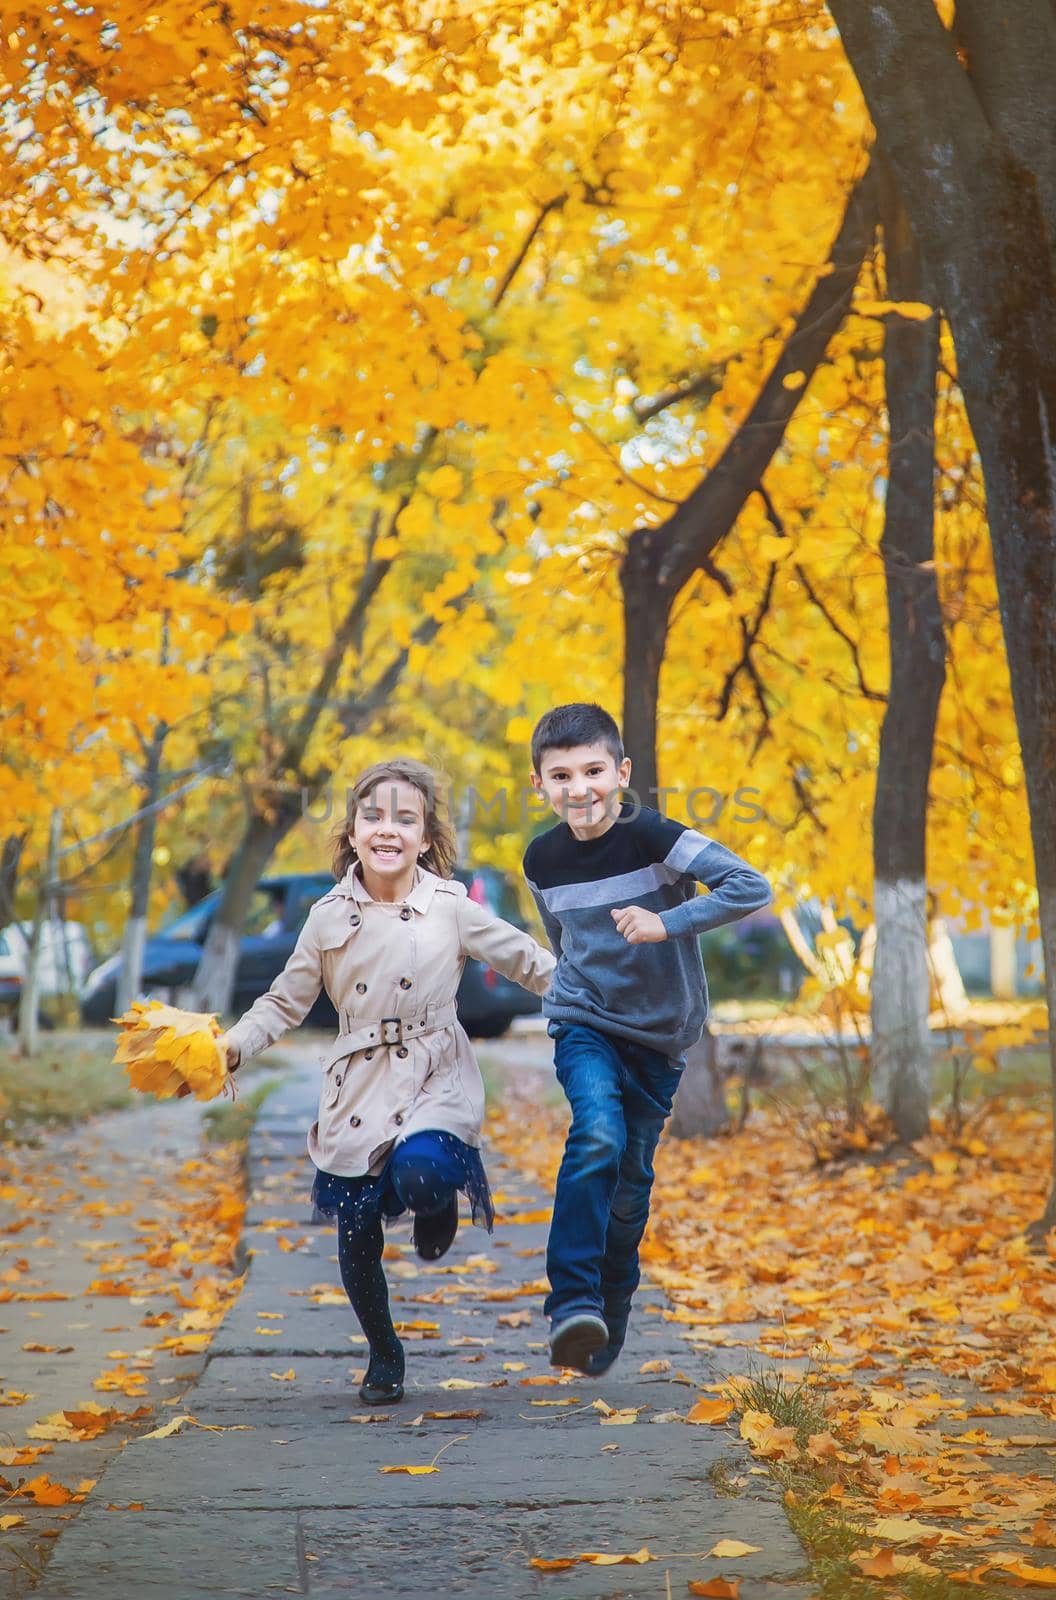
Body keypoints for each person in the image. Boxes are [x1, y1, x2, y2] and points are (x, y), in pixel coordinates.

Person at [221, 757, 555, 1406]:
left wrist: (588, 995)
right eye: (373, 816)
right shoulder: (325, 917)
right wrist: (235, 1046)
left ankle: (437, 1203)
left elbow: (525, 959)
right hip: (359, 1082)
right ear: (352, 831)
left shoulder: (451, 908)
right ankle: (384, 1352)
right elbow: (284, 1002)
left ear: (426, 838)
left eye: (406, 818)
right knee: (355, 1230)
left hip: (434, 1070)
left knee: (423, 1173)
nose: (387, 829)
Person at [522, 703, 772, 1375]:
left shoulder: (655, 837)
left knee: (630, 1187)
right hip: (585, 1023)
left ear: (621, 772)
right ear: (540, 786)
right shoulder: (540, 858)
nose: (580, 789)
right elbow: (563, 940)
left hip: (660, 1037)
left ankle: (611, 1306)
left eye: (594, 770)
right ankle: (571, 1304)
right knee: (596, 1134)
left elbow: (750, 885)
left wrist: (669, 921)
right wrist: (567, 992)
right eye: (562, 775)